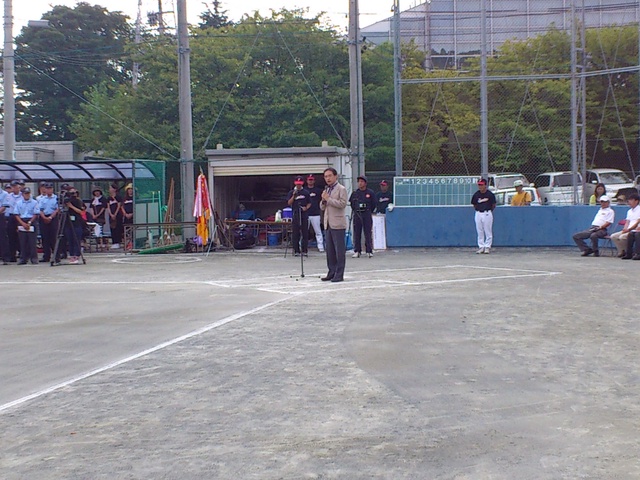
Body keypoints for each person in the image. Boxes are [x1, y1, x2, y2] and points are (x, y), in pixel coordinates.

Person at [320, 167, 348, 282]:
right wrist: (323, 200)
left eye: (330, 176)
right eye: (326, 176)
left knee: (339, 251)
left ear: (335, 176)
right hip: (328, 223)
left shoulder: (341, 189)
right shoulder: (327, 190)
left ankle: (339, 274)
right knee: (330, 250)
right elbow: (322, 207)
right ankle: (331, 271)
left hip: (338, 223)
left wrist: (329, 199)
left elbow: (342, 204)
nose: (328, 178)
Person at [349, 175, 376, 258]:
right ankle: (357, 251)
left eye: (362, 182)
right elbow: (352, 204)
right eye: (359, 182)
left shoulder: (370, 193)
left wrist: (368, 211)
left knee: (367, 232)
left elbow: (374, 204)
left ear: (365, 183)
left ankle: (369, 250)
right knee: (357, 233)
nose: (360, 183)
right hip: (357, 214)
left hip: (367, 214)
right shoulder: (355, 193)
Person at [286, 176, 311, 256]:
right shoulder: (291, 192)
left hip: (304, 214)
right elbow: (289, 203)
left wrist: (306, 208)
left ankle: (304, 250)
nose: (298, 186)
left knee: (305, 232)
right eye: (297, 184)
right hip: (295, 214)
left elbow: (309, 203)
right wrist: (294, 196)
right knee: (295, 233)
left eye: (300, 184)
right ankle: (296, 250)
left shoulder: (306, 192)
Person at [471, 178, 497, 254]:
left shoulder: (490, 194)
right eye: (479, 185)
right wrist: (479, 210)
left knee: (488, 230)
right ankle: (481, 246)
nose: (480, 186)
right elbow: (474, 204)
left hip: (487, 213)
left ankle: (487, 246)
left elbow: (493, 204)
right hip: (478, 213)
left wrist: (488, 211)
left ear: (485, 185)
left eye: (481, 185)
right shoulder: (476, 194)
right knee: (479, 230)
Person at [14, 187, 39, 265]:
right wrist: (22, 223)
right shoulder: (18, 203)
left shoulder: (34, 202)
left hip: (31, 221)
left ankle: (34, 258)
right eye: (25, 194)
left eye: (28, 193)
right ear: (22, 194)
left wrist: (29, 222)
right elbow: (16, 214)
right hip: (22, 221)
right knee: (23, 241)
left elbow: (36, 213)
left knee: (32, 241)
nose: (27, 195)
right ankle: (23, 258)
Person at [611, 192, 640, 258]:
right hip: (628, 229)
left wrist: (628, 229)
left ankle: (629, 252)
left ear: (636, 201)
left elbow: (637, 222)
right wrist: (625, 228)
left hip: (634, 229)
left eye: (631, 200)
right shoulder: (629, 211)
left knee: (622, 237)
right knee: (614, 236)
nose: (629, 202)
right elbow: (627, 221)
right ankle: (622, 251)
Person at [38, 182, 60, 263]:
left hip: (53, 217)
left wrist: (50, 217)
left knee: (54, 238)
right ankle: (46, 256)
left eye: (50, 188)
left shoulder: (56, 198)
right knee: (45, 238)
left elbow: (57, 209)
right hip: (43, 217)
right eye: (47, 188)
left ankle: (56, 256)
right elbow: (40, 209)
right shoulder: (42, 199)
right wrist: (44, 217)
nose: (48, 190)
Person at [63, 187, 86, 264]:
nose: (74, 195)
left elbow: (81, 211)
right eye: (71, 193)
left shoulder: (78, 201)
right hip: (68, 222)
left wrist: (71, 206)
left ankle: (77, 255)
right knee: (70, 239)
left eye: (75, 193)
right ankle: (71, 255)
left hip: (76, 222)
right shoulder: (66, 201)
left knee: (76, 239)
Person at [305, 174, 324, 252]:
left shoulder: (318, 191)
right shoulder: (304, 190)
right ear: (307, 181)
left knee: (318, 231)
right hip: (305, 214)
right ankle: (303, 246)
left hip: (316, 213)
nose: (310, 181)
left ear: (314, 181)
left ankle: (320, 246)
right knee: (304, 231)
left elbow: (323, 200)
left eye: (312, 180)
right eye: (309, 180)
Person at [6, 180, 24, 262]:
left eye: (16, 187)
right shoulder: (8, 196)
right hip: (11, 216)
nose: (14, 188)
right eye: (12, 187)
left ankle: (22, 254)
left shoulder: (23, 196)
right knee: (11, 236)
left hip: (20, 216)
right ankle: (12, 255)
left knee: (21, 236)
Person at [90, 186, 108, 251]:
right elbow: (91, 208)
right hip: (94, 218)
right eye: (95, 192)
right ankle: (98, 243)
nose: (97, 193)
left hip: (100, 217)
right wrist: (93, 215)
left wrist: (97, 215)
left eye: (98, 192)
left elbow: (103, 208)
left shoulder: (103, 199)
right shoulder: (93, 200)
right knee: (95, 230)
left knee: (100, 229)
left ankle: (102, 243)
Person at [107, 184, 123, 249]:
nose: (110, 189)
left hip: (117, 215)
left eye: (111, 188)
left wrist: (115, 214)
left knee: (118, 228)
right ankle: (114, 242)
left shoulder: (118, 197)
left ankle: (118, 242)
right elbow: (108, 206)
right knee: (112, 228)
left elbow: (119, 206)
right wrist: (111, 214)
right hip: (111, 215)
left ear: (115, 189)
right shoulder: (109, 198)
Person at [0, 183, 11, 264]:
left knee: (2, 237)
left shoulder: (5, 194)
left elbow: (4, 206)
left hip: (0, 216)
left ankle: (5, 257)